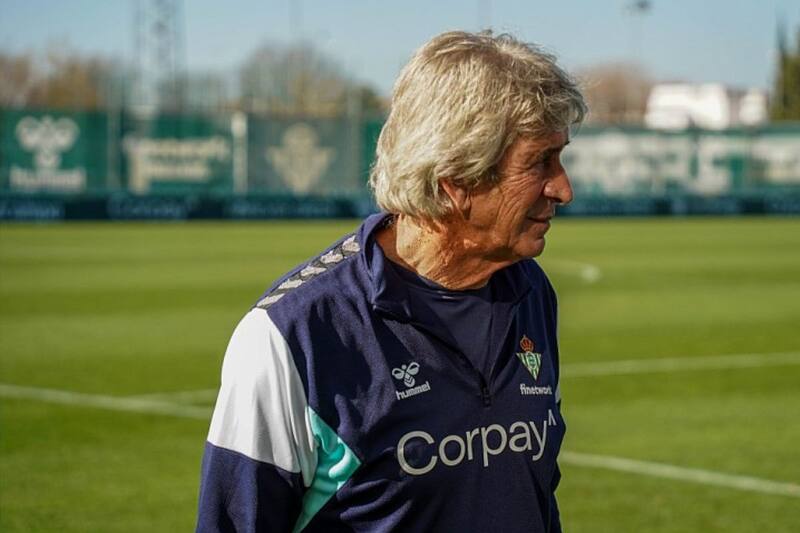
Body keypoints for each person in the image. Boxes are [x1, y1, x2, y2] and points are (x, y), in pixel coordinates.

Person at [196, 30, 586, 533]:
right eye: (539, 163)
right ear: (457, 181)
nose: (564, 189)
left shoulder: (530, 292)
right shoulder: (290, 335)